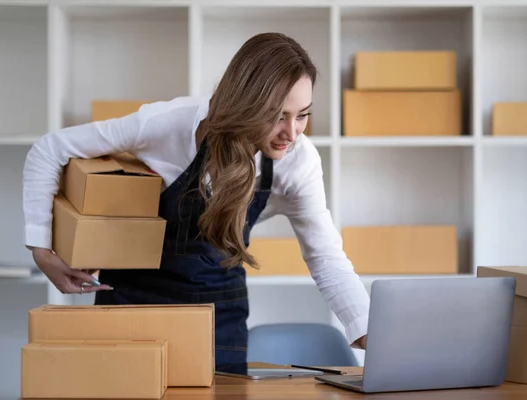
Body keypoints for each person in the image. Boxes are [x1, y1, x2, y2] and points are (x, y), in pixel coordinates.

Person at [22, 32, 370, 366]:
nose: (292, 133)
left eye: (302, 115)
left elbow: (326, 258)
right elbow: (50, 149)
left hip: (217, 317)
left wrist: (369, 334)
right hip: (130, 303)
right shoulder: (169, 123)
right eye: (277, 116)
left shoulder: (299, 161)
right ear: (245, 103)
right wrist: (41, 249)